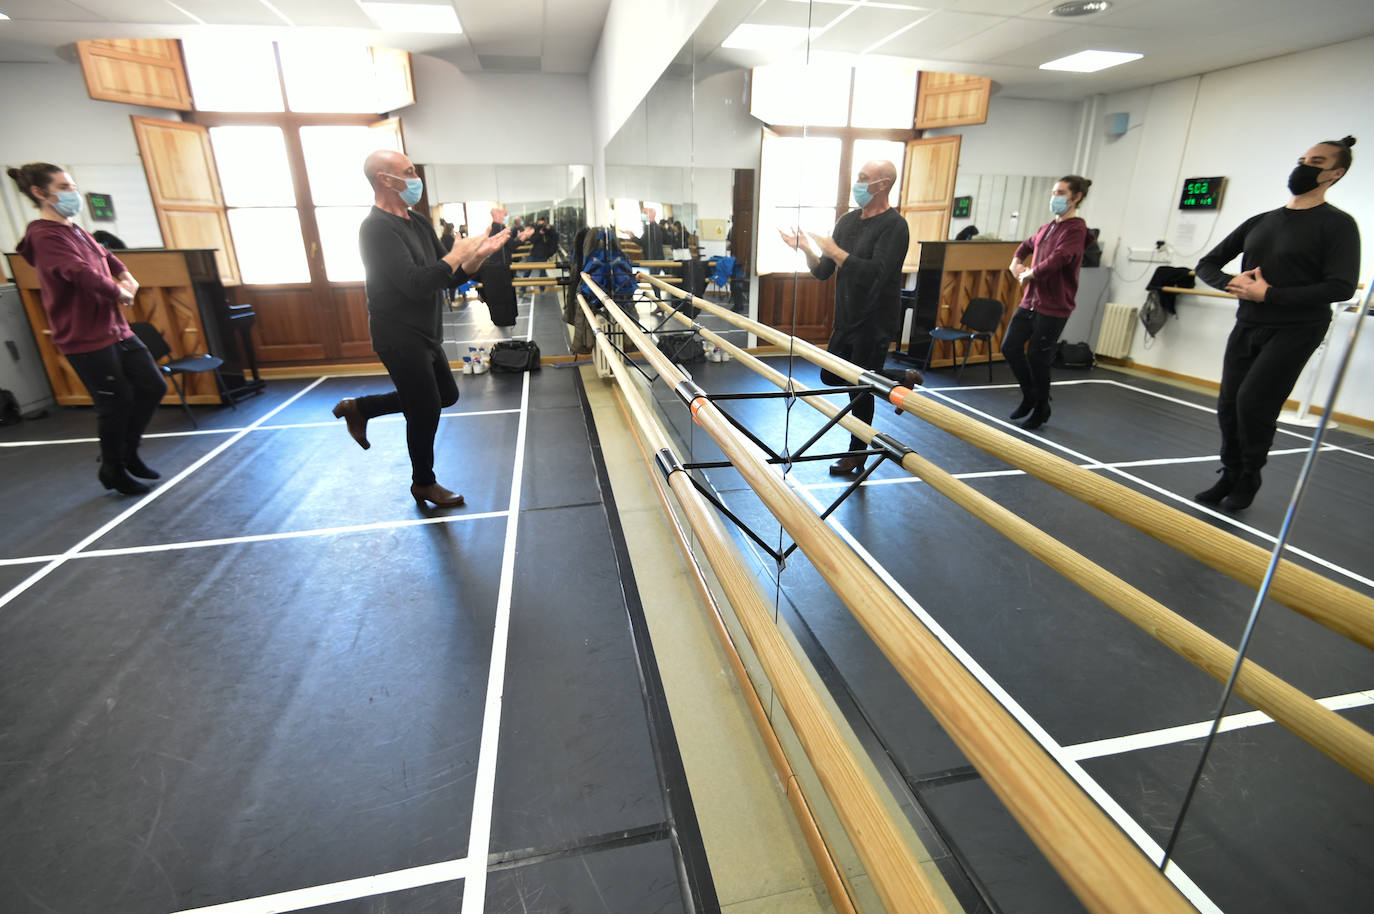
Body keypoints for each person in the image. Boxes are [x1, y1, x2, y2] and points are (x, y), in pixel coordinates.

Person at [331, 150, 509, 509]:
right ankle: (423, 483)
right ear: (385, 179)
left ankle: (361, 408)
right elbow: (413, 283)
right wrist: (455, 256)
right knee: (425, 406)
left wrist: (477, 256)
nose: (415, 178)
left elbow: (445, 277)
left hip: (426, 330)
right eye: (408, 172)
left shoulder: (419, 223)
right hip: (397, 333)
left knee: (444, 395)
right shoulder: (376, 228)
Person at [1194, 136, 1360, 511]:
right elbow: (1207, 263)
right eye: (1302, 158)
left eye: (1316, 161)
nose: (1304, 165)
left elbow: (1341, 286)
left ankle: (1250, 475)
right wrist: (1230, 283)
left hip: (1297, 328)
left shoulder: (1337, 225)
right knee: (1228, 403)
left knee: (1254, 402)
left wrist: (1270, 296)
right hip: (1249, 321)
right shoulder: (1262, 221)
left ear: (1335, 173)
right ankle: (1231, 471)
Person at [10, 162, 166, 496]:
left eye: (71, 186)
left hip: (115, 329)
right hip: (83, 335)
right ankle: (113, 469)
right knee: (116, 401)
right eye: (64, 187)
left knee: (152, 385)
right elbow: (79, 271)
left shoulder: (73, 229)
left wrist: (125, 274)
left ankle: (128, 453)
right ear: (40, 193)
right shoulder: (44, 235)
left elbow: (103, 254)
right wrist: (118, 292)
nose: (72, 193)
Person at [780, 159, 922, 476]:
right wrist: (806, 249)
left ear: (883, 184)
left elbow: (877, 274)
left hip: (875, 322)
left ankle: (857, 455)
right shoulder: (846, 222)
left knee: (860, 389)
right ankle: (900, 378)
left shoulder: (895, 226)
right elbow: (823, 271)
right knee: (831, 377)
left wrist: (836, 251)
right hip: (847, 319)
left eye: (863, 178)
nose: (856, 184)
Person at [1004, 175, 1092, 430]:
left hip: (1054, 305)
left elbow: (1060, 257)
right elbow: (1027, 244)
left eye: (1061, 192)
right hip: (1030, 301)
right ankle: (1030, 395)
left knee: (1038, 357)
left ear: (1076, 197)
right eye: (1054, 192)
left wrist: (1032, 273)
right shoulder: (1048, 227)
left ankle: (1041, 406)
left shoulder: (1076, 229)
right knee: (1010, 347)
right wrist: (1016, 262)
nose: (1055, 197)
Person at [478, 206, 534, 329]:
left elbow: (508, 246)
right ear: (498, 216)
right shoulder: (500, 229)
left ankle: (503, 321)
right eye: (504, 215)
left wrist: (521, 237)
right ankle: (505, 321)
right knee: (505, 299)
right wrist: (523, 238)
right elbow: (511, 246)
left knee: (499, 300)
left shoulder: (494, 229)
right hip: (501, 271)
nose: (505, 217)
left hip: (494, 271)